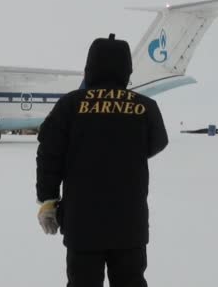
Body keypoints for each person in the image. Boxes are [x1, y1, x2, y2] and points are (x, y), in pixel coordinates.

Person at [36, 34, 168, 287]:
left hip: (81, 224)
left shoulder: (70, 105)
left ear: (90, 68)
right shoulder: (145, 107)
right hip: (130, 223)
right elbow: (157, 143)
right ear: (127, 70)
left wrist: (48, 200)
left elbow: (49, 155)